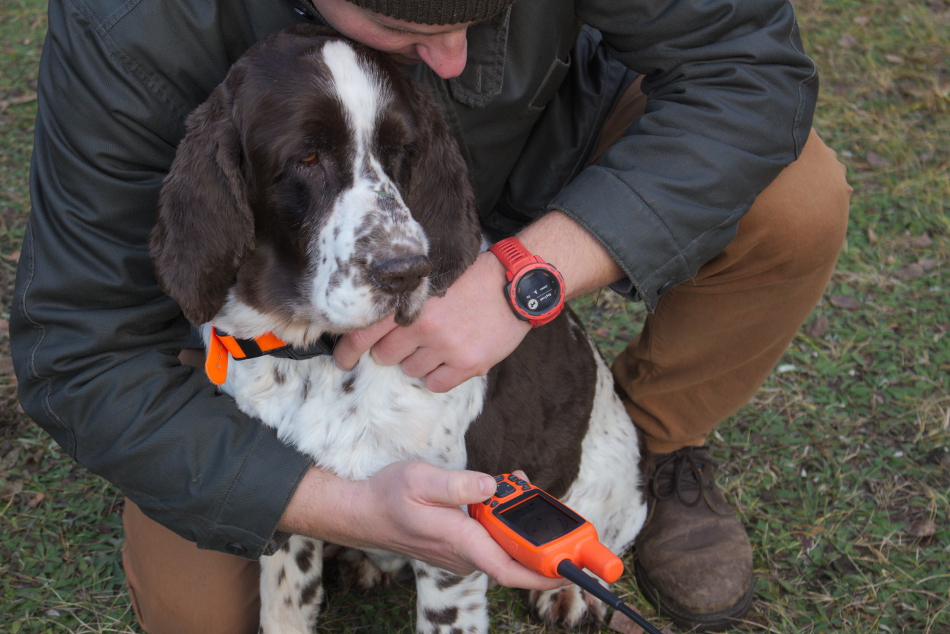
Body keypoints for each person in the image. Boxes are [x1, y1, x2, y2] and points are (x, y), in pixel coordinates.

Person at [10, 0, 851, 631]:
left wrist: (531, 267)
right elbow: (82, 353)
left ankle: (652, 448)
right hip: (261, 306)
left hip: (537, 150)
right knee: (202, 615)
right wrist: (337, 510)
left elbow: (752, 70)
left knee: (795, 196)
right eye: (407, 23)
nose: (452, 58)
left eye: (484, 15)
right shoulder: (130, 26)